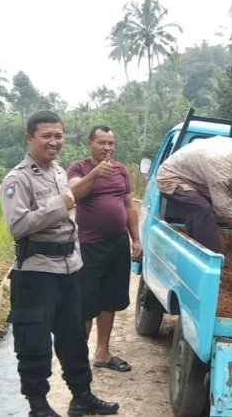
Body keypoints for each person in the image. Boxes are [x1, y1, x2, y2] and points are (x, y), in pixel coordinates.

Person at [0, 111, 119, 417]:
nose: (54, 142)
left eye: (59, 136)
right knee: (34, 344)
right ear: (29, 138)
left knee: (73, 338)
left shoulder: (59, 172)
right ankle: (38, 406)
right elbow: (19, 225)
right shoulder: (18, 178)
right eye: (46, 136)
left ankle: (82, 396)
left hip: (68, 269)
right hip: (36, 273)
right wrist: (60, 203)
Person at [67, 125, 141, 373]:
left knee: (110, 299)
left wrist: (135, 239)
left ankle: (102, 353)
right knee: (86, 302)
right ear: (90, 144)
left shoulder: (121, 169)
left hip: (117, 243)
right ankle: (77, 359)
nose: (107, 147)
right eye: (102, 142)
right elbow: (73, 193)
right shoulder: (79, 168)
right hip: (89, 245)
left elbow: (129, 205)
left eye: (111, 143)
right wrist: (95, 174)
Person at [155, 135, 232, 260]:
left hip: (195, 178)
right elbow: (228, 215)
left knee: (210, 207)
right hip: (171, 177)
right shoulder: (222, 169)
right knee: (202, 209)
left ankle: (208, 245)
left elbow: (215, 177)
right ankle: (209, 259)